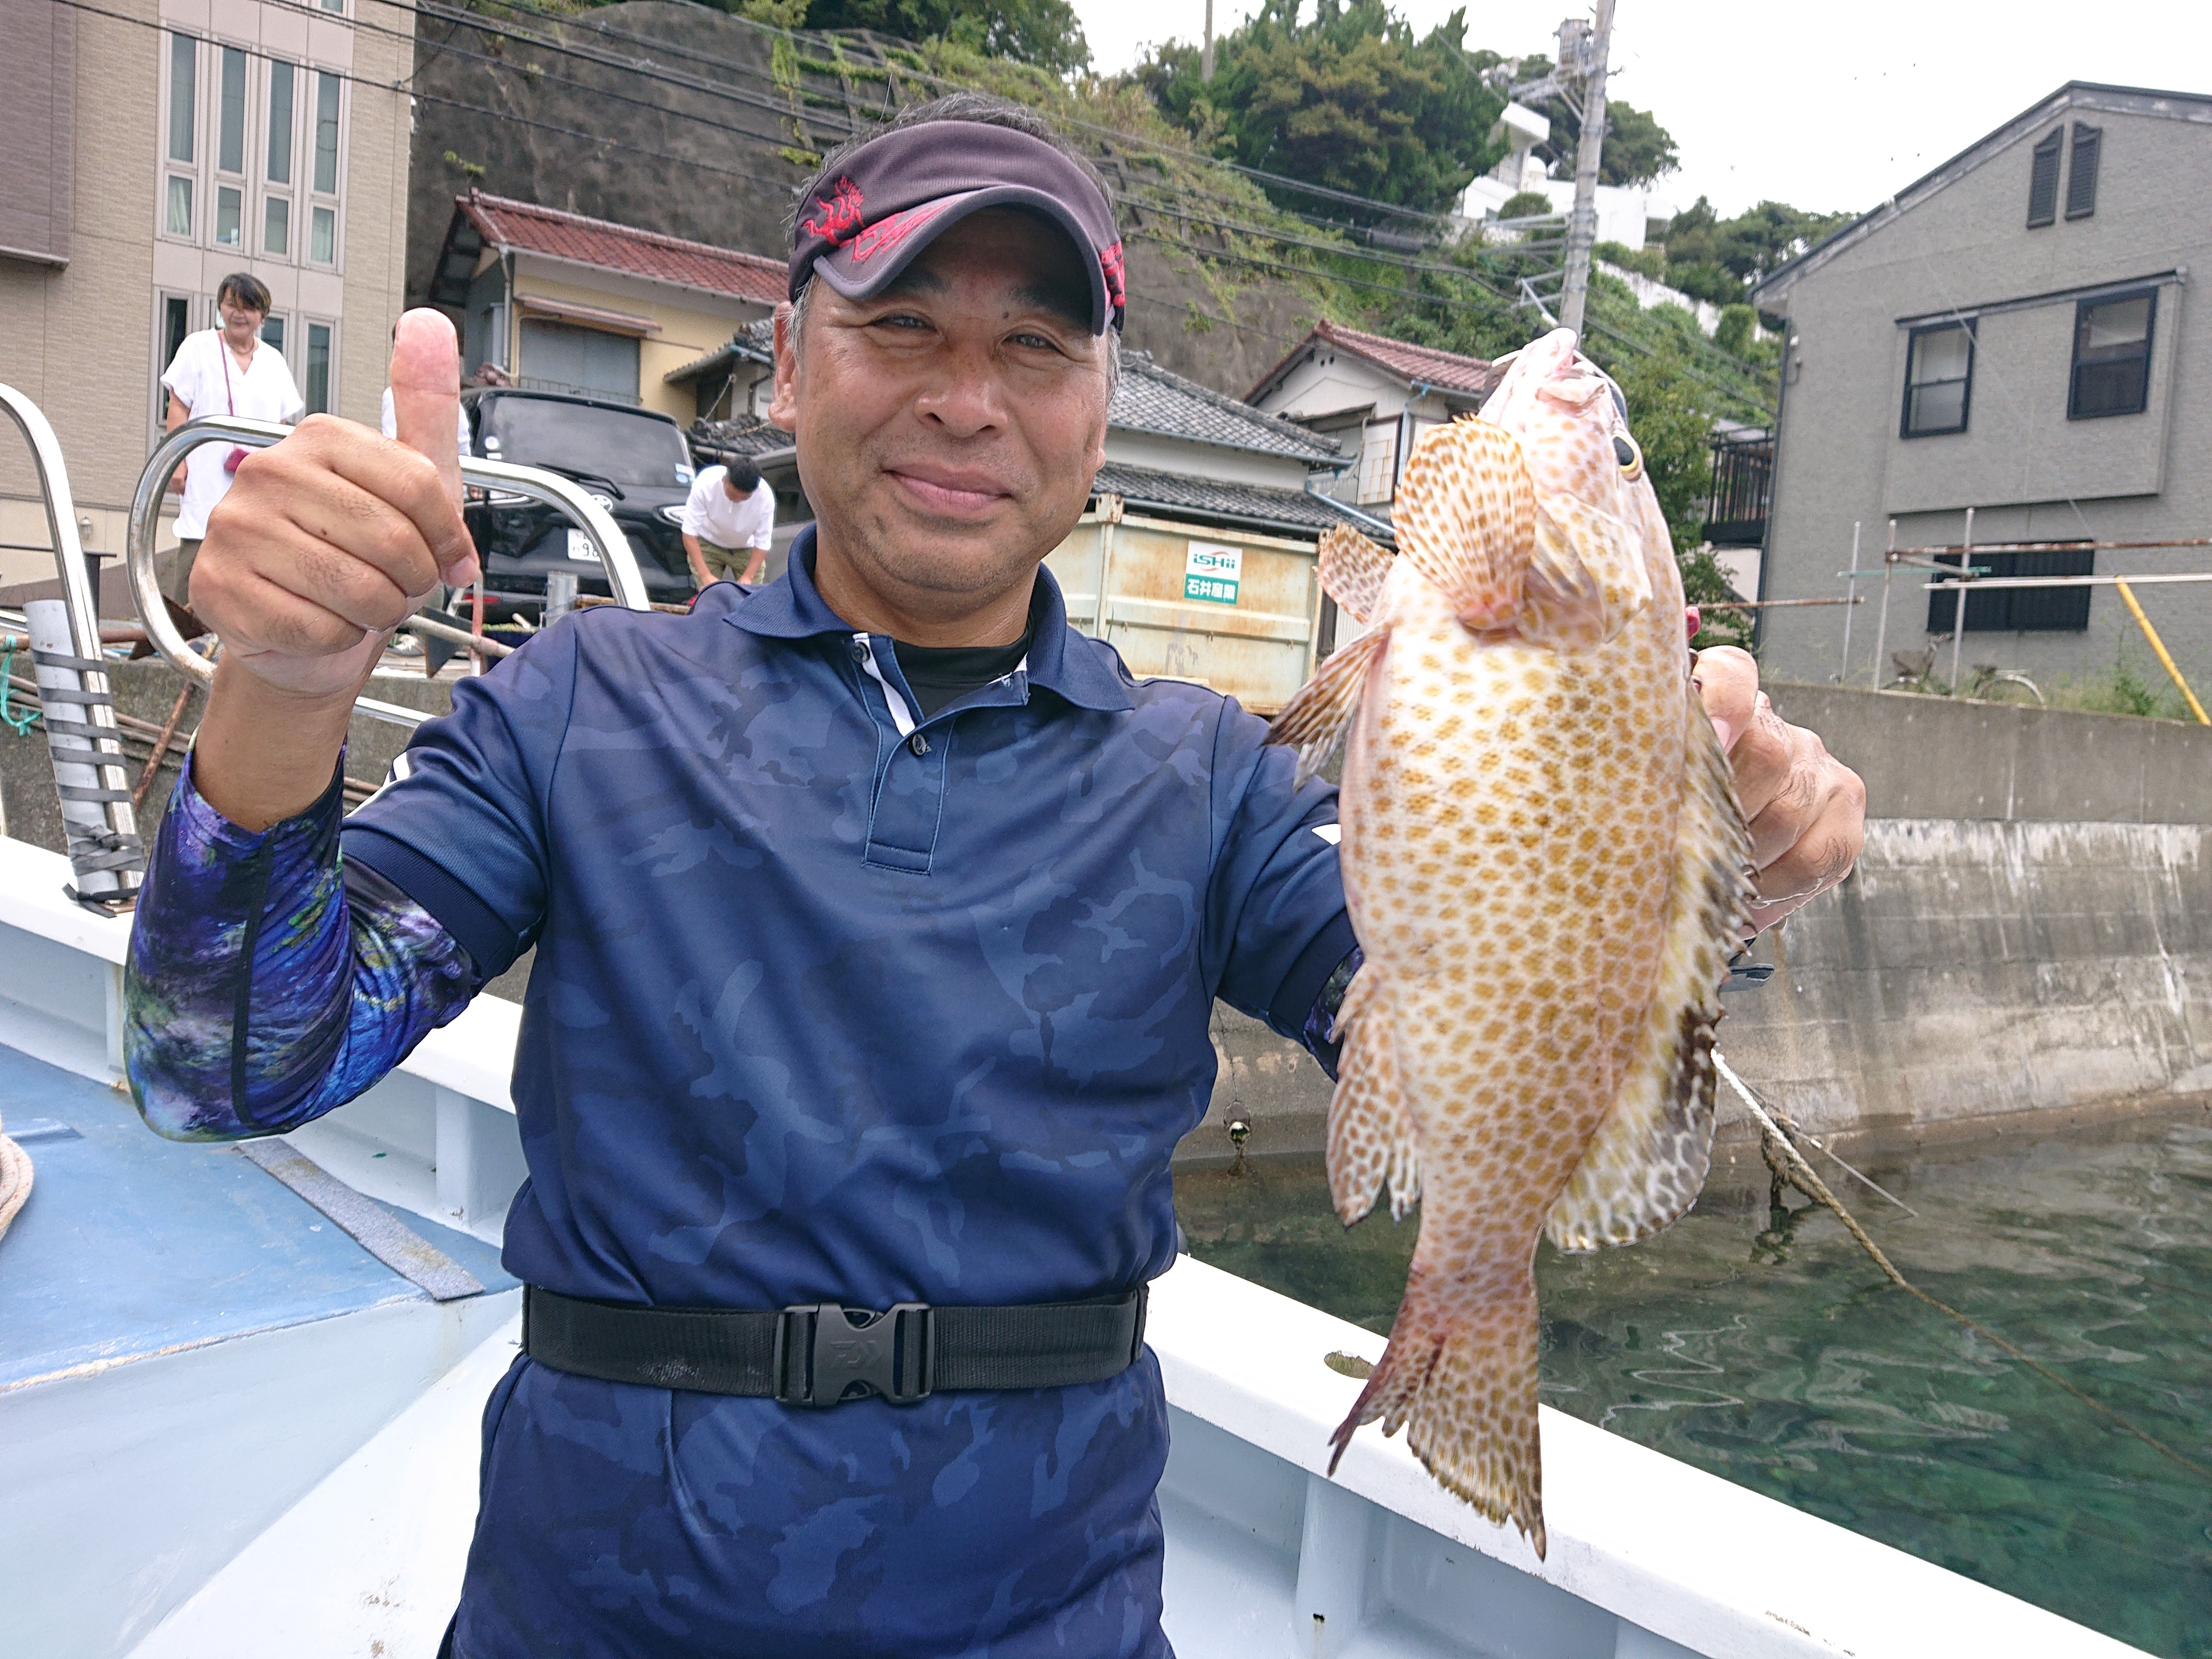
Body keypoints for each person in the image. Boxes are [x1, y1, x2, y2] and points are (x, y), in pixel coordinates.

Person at [121, 95, 1866, 1658]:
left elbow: (1477, 1001)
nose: (967, 401)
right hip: (598, 1612)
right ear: (786, 363)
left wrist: (1719, 868)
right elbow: (228, 1070)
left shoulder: (1205, 777)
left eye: (1035, 347)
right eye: (901, 328)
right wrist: (287, 686)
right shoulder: (578, 704)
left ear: (1101, 412)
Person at [159, 273, 304, 606]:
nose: (239, 314)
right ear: (221, 308)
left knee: (250, 559)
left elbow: (281, 426)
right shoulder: (198, 347)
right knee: (198, 553)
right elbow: (178, 406)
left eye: (249, 308)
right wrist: (177, 462)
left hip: (256, 479)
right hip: (205, 471)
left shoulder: (273, 361)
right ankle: (184, 627)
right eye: (231, 305)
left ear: (262, 315)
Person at [680, 450, 777, 587]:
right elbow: (689, 533)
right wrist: (705, 576)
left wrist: (748, 577)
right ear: (724, 480)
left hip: (746, 547)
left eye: (744, 498)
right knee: (709, 592)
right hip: (708, 541)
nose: (737, 500)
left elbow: (763, 543)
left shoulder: (765, 497)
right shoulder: (705, 483)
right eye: (733, 495)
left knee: (751, 593)